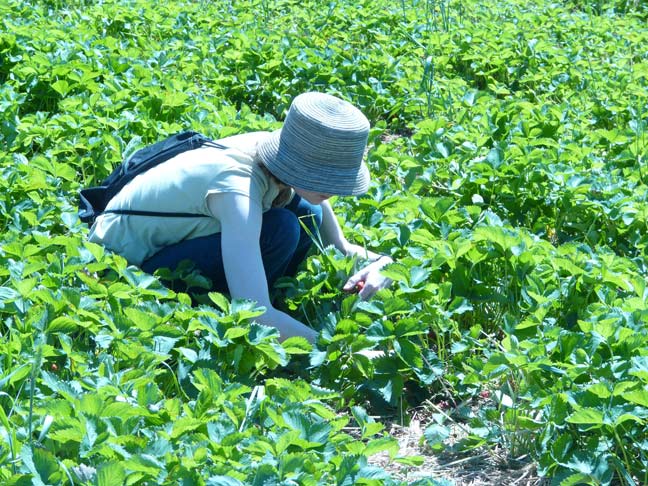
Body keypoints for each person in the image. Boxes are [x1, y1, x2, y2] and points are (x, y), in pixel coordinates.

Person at [88, 92, 393, 343]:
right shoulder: (238, 188)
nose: (335, 189)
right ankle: (220, 318)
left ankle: (265, 296)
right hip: (124, 266)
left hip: (175, 237)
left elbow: (340, 246)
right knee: (282, 229)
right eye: (326, 177)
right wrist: (336, 350)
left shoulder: (277, 153)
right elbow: (255, 314)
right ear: (301, 166)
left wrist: (384, 265)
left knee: (307, 214)